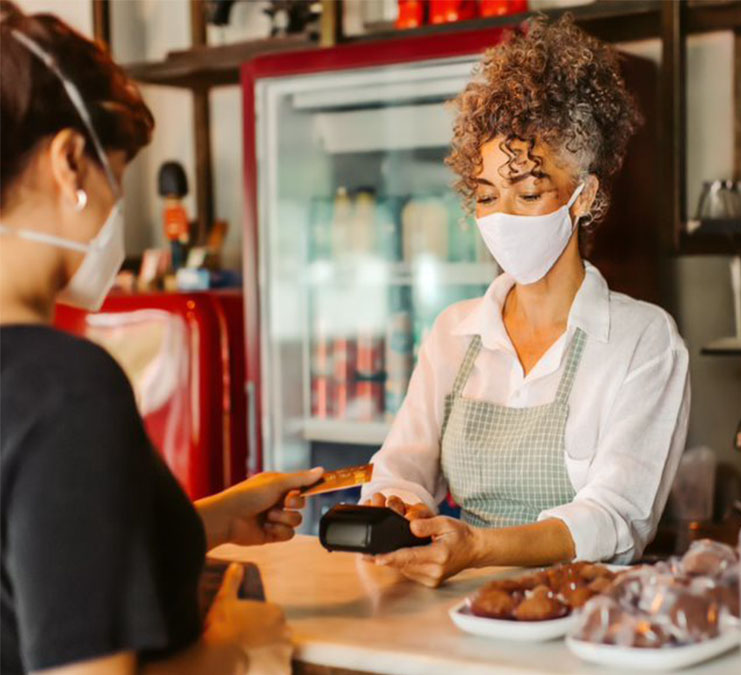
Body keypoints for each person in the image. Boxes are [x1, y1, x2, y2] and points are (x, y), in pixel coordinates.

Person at [0, 3, 321, 673]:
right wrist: (239, 646)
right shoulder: (65, 389)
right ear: (69, 163)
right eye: (117, 175)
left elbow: (40, 561)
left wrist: (211, 519)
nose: (120, 208)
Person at [361, 15, 690, 587]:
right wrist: (400, 508)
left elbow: (617, 516)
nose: (503, 218)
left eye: (530, 193)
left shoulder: (643, 341)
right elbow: (402, 468)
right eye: (487, 196)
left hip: (583, 615)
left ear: (583, 196)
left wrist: (480, 548)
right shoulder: (454, 333)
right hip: (462, 611)